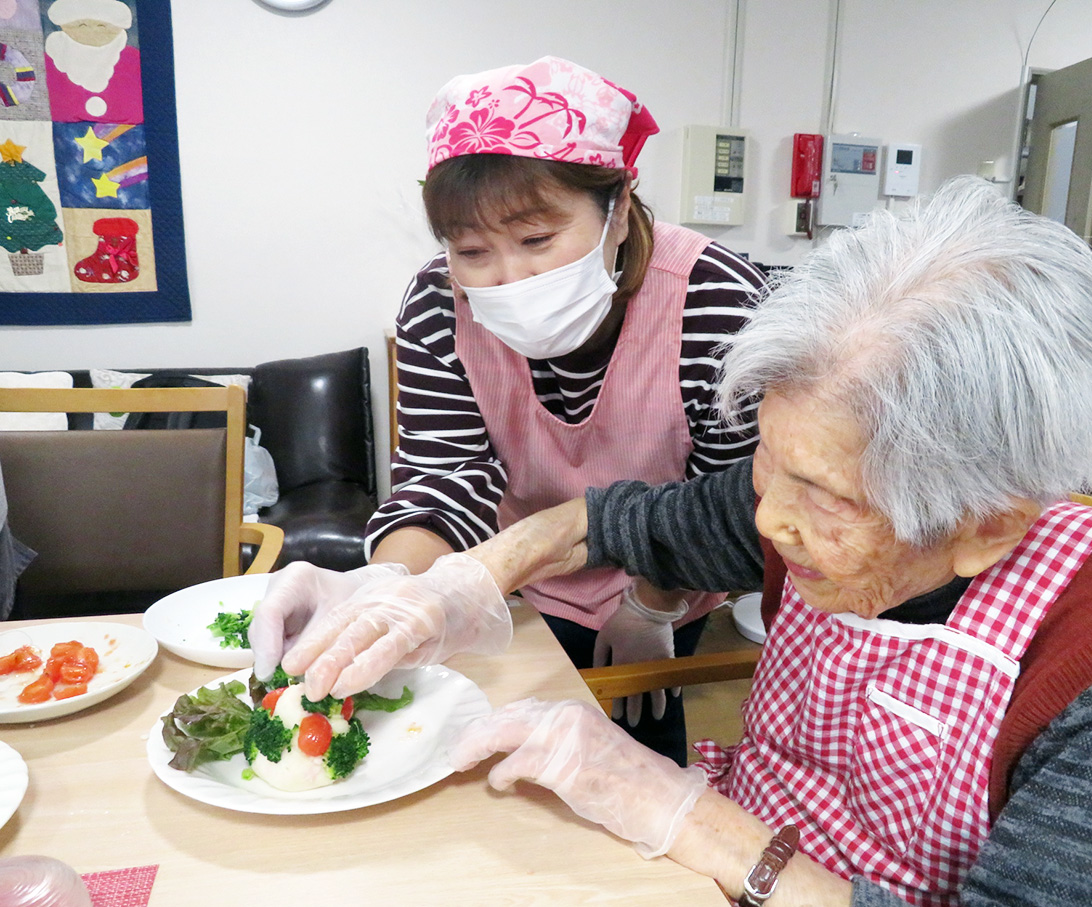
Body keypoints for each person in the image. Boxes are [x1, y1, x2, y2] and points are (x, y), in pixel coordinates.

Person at [255, 176, 1092, 906]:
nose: (768, 522)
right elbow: (604, 519)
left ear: (987, 522)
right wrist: (445, 585)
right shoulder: (795, 509)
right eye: (766, 466)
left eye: (822, 493)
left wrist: (680, 812)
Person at [254, 56, 765, 765]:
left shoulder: (719, 299)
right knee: (493, 753)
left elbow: (731, 495)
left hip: (672, 573)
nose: (509, 278)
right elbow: (445, 473)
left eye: (536, 240)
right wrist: (388, 586)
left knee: (637, 745)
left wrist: (651, 604)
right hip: (509, 575)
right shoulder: (439, 304)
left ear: (618, 207)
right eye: (472, 250)